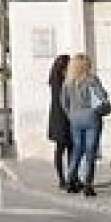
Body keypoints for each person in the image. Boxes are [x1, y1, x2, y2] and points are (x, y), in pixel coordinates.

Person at [61, 53, 110, 197]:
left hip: (75, 118)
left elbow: (63, 102)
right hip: (91, 117)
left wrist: (70, 115)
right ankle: (87, 185)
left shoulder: (68, 82)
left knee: (77, 150)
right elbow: (102, 96)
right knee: (90, 152)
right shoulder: (91, 79)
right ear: (86, 65)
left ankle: (70, 181)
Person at [46, 54, 73, 190]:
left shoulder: (56, 80)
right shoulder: (61, 82)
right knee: (64, 149)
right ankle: (64, 179)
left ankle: (68, 178)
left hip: (58, 118)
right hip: (62, 118)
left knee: (65, 149)